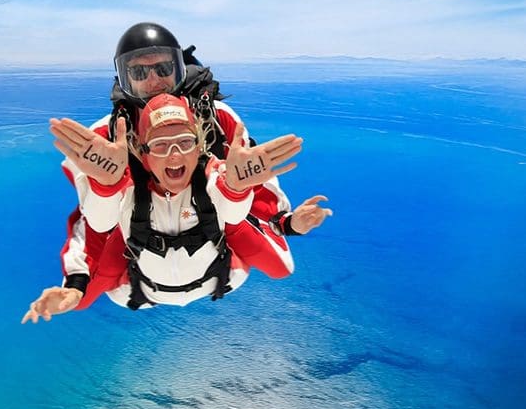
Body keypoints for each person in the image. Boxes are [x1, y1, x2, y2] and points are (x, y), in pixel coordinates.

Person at [55, 22, 332, 306]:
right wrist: (76, 282)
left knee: (245, 205)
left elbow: (254, 177)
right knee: (109, 210)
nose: (154, 81)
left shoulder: (218, 120)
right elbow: (92, 223)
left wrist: (286, 223)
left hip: (211, 251)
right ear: (124, 79)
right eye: (139, 72)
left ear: (178, 70)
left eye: (163, 69)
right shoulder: (106, 137)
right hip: (141, 261)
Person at [23, 94, 307, 321]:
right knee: (80, 300)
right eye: (160, 145)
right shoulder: (131, 189)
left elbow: (233, 212)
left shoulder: (213, 176)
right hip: (142, 289)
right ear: (142, 153)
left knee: (281, 266)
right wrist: (106, 186)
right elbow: (96, 225)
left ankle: (274, 223)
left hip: (214, 277)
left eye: (184, 143)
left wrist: (237, 189)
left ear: (199, 147)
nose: (174, 155)